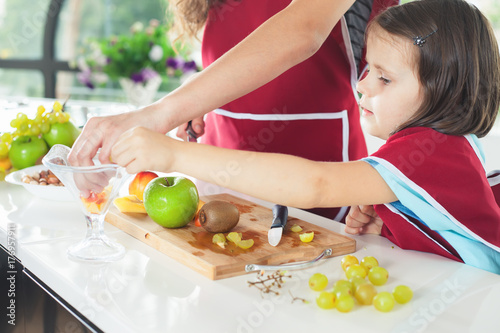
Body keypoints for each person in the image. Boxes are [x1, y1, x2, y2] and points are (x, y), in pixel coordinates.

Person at [110, 0, 500, 274]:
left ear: (446, 86)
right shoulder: (437, 145)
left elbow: (315, 184)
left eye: (384, 77)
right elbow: (450, 231)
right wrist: (399, 223)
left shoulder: (429, 152)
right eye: (368, 69)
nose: (362, 86)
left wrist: (173, 156)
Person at [69, 0, 398, 221]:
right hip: (221, 167)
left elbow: (305, 27)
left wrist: (160, 112)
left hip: (318, 173)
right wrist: (197, 97)